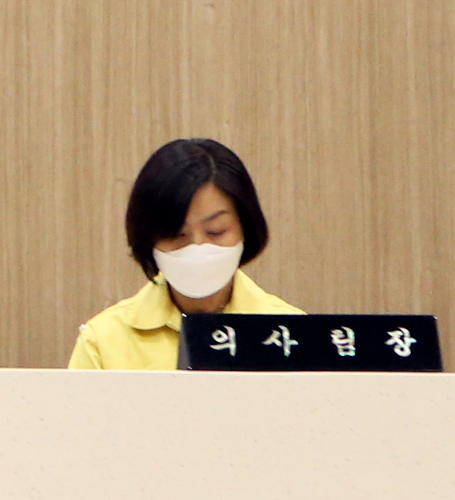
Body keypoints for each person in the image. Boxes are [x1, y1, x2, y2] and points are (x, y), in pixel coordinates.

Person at [67, 136, 304, 368]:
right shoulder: (103, 342)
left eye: (215, 231)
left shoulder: (295, 334)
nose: (198, 246)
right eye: (177, 234)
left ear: (245, 228)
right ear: (148, 238)